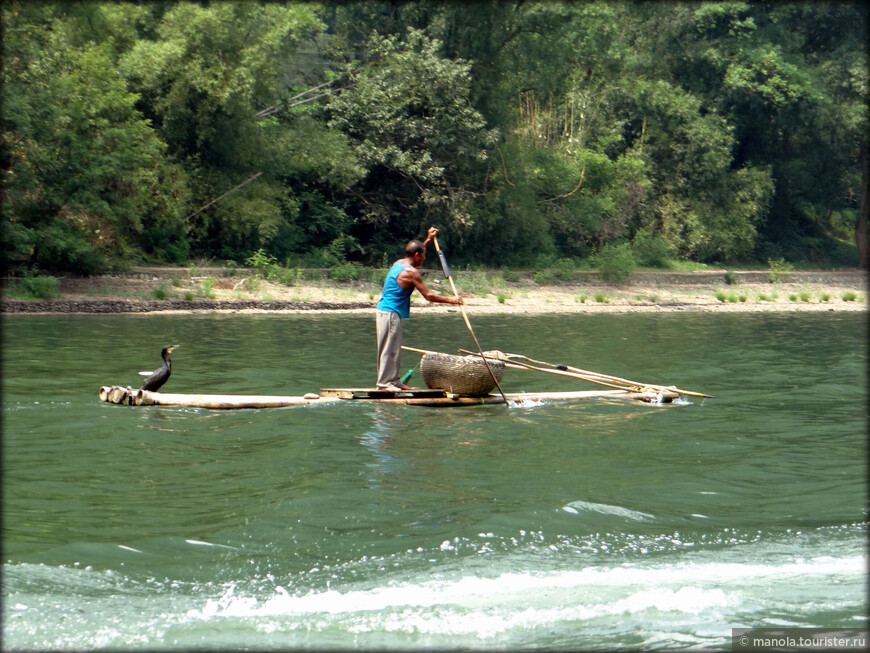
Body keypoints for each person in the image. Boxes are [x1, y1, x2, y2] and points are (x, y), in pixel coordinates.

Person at [376, 226, 463, 391]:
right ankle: (383, 384)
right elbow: (428, 296)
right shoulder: (410, 272)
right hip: (388, 312)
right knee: (388, 349)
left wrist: (428, 240)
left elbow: (417, 250)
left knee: (395, 348)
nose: (424, 259)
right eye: (423, 255)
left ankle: (394, 381)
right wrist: (453, 300)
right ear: (417, 255)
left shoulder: (399, 262)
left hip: (391, 312)